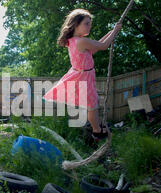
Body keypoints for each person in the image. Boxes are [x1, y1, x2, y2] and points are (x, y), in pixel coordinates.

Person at [43, 8, 122, 140]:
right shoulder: (81, 41)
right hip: (83, 77)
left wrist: (111, 32)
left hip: (83, 75)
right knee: (92, 105)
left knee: (93, 103)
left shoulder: (75, 40)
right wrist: (115, 31)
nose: (89, 26)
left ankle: (97, 127)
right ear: (76, 25)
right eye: (86, 23)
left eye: (90, 23)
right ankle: (97, 130)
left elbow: (96, 48)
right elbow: (102, 46)